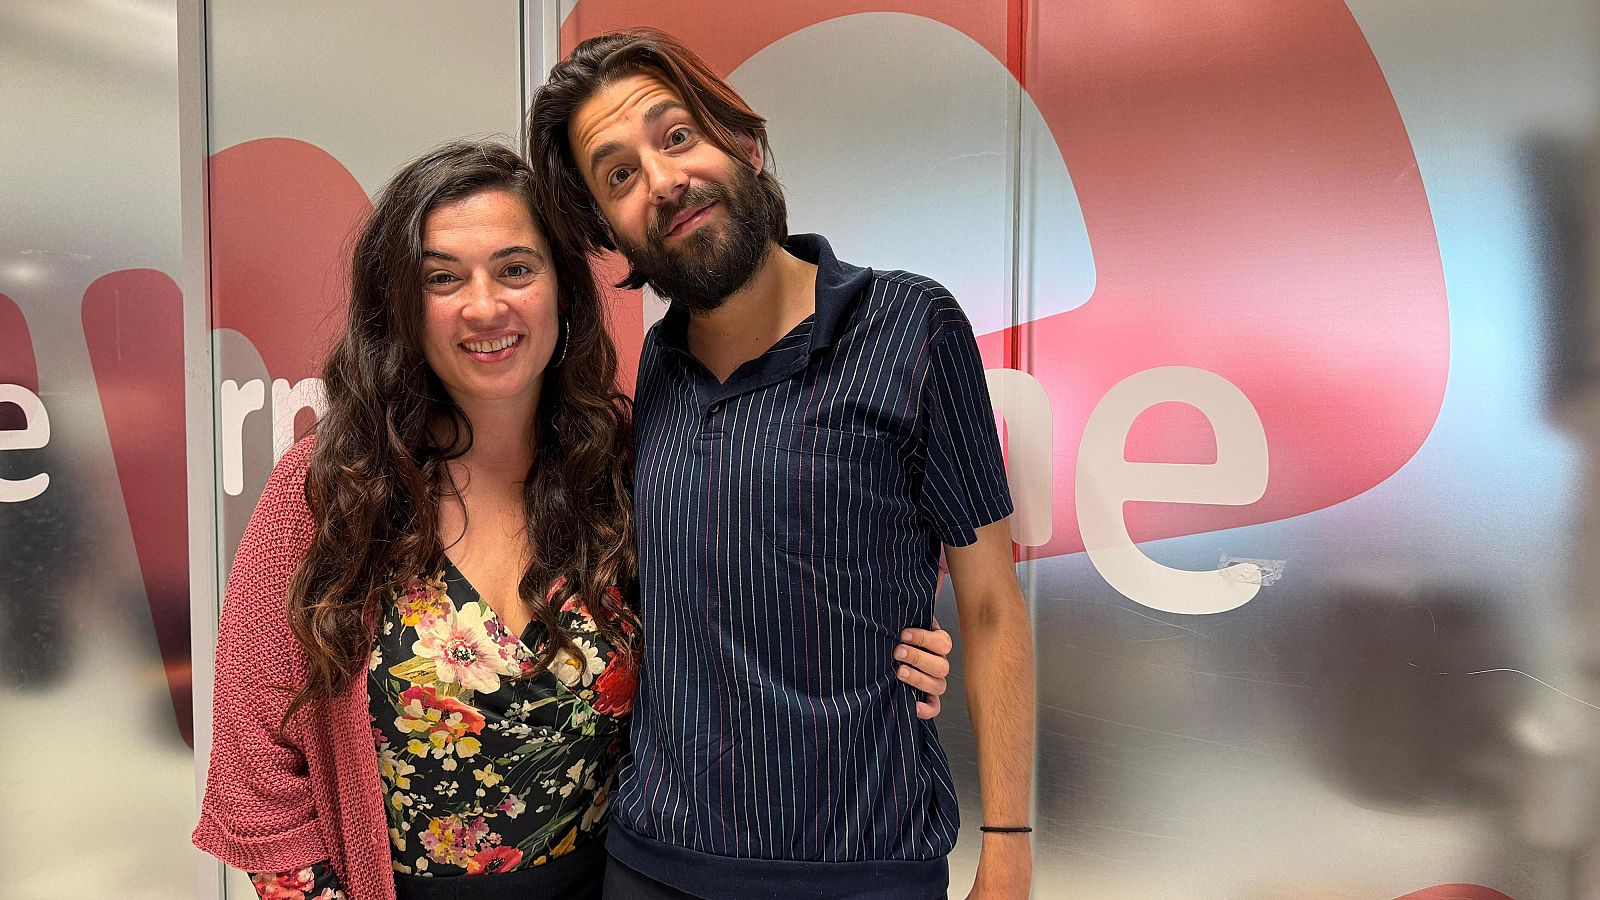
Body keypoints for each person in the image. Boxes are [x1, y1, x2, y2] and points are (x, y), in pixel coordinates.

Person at [192, 141, 954, 900]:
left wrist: (877, 648)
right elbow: (256, 773)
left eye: (516, 269)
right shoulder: (329, 488)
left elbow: (738, 611)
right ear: (399, 304)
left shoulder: (620, 473)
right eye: (442, 279)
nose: (485, 306)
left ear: (561, 290)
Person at [527, 28, 1036, 900]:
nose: (662, 179)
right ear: (610, 231)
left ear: (744, 141)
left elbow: (990, 607)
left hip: (863, 864)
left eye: (677, 135)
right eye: (618, 174)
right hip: (653, 862)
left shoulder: (912, 326)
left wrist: (1011, 849)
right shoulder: (657, 369)